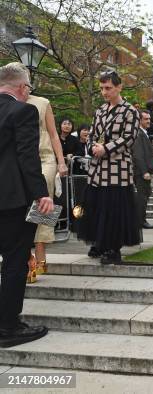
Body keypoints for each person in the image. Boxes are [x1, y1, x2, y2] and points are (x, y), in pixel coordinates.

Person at [0, 62, 54, 348]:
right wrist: (41, 193)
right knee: (14, 261)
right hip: (10, 201)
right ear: (22, 88)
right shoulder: (23, 110)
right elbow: (27, 156)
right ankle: (8, 326)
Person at [77, 71, 141, 264]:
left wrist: (105, 148)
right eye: (102, 88)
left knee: (113, 209)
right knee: (95, 207)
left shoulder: (130, 111)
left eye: (108, 88)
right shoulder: (100, 110)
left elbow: (129, 137)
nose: (104, 92)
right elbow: (91, 134)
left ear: (119, 87)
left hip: (117, 169)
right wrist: (91, 146)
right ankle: (99, 241)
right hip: (97, 169)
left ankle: (113, 248)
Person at [27, 95, 68, 276]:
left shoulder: (43, 102)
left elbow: (53, 134)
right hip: (21, 158)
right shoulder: (7, 100)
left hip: (45, 157)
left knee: (44, 203)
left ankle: (41, 251)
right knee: (22, 205)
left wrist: (61, 161)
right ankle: (26, 257)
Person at [133, 110, 153, 230]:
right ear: (139, 120)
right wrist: (144, 172)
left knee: (144, 196)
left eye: (149, 119)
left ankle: (140, 220)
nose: (148, 121)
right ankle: (140, 221)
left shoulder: (144, 133)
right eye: (145, 119)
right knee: (142, 197)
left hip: (144, 172)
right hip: (140, 173)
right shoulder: (138, 134)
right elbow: (138, 155)